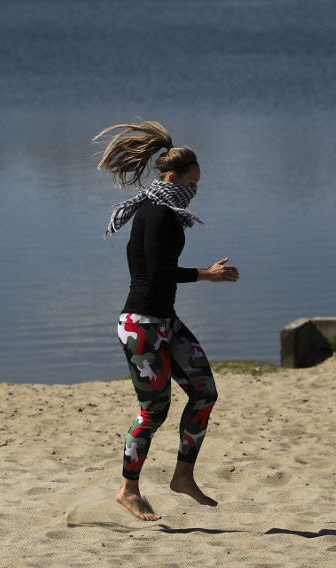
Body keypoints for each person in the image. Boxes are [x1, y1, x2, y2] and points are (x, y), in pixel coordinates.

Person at [93, 120, 240, 521]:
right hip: (141, 324)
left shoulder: (164, 212)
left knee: (205, 393)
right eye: (191, 184)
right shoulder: (156, 214)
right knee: (153, 411)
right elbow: (156, 271)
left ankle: (183, 476)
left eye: (198, 185)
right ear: (173, 178)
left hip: (165, 321)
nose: (194, 191)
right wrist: (205, 275)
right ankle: (127, 488)